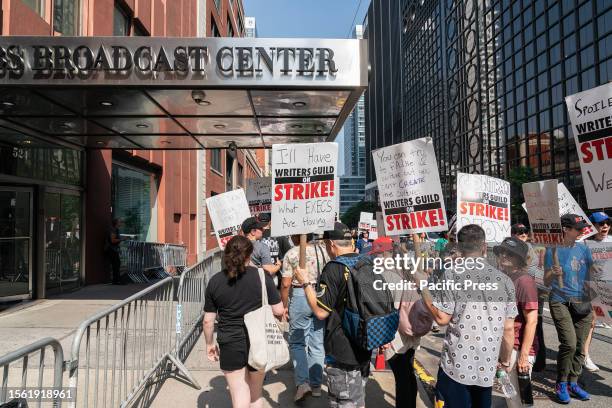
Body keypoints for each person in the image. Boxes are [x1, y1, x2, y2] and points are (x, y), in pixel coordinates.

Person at [420, 224, 518, 408]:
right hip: (487, 364)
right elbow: (508, 328)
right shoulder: (504, 280)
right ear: (484, 247)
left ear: (458, 248)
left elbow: (442, 319)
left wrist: (424, 293)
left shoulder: (452, 275)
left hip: (457, 364)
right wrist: (505, 361)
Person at [293, 222, 372, 408]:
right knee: (358, 398)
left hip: (343, 350)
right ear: (351, 242)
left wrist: (305, 283)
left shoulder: (334, 268)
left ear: (331, 245)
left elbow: (320, 312)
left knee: (345, 402)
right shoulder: (366, 263)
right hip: (366, 343)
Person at [203, 235, 284, 408]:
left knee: (239, 391)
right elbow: (278, 310)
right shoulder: (262, 277)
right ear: (249, 255)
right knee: (255, 394)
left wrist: (209, 344)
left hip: (230, 341)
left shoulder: (215, 281)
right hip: (259, 341)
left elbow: (208, 321)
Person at [544, 214, 597, 403]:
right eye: (578, 228)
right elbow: (546, 280)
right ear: (566, 229)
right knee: (569, 344)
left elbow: (591, 275)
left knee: (581, 346)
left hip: (582, 302)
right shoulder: (553, 250)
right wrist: (553, 271)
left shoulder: (584, 249)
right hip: (560, 300)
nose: (582, 230)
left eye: (582, 227)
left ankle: (573, 383)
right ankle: (561, 382)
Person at [373, 236, 426, 408]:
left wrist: (383, 337)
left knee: (402, 377)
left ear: (382, 254)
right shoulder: (406, 266)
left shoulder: (386, 274)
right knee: (408, 374)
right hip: (411, 328)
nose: (375, 259)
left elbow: (390, 308)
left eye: (376, 255)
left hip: (396, 335)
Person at [280, 234, 330, 402]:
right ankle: (316, 386)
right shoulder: (323, 251)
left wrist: (284, 304)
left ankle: (303, 383)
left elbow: (286, 283)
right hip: (320, 294)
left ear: (296, 236)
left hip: (301, 294)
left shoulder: (291, 254)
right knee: (317, 341)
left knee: (298, 342)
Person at [494, 237, 538, 408]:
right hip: (505, 345)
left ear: (519, 258)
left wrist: (524, 357)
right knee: (510, 396)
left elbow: (532, 321)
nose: (504, 255)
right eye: (502, 252)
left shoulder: (524, 281)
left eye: (510, 253)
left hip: (518, 347)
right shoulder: (504, 277)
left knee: (518, 401)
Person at [512, 223, 548, 372]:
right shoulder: (510, 249)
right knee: (518, 322)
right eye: (519, 232)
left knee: (534, 324)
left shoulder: (535, 248)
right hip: (519, 290)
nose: (523, 234)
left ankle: (537, 359)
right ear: (512, 233)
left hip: (534, 291)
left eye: (525, 231)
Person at [581, 211, 611, 372]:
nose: (605, 226)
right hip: (593, 289)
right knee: (591, 322)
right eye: (600, 223)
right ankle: (585, 356)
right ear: (593, 226)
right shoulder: (586, 245)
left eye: (607, 222)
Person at [105, 218, 126, 285]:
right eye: (120, 222)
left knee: (116, 264)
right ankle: (116, 281)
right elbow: (113, 240)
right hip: (111, 249)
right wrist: (122, 239)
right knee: (116, 264)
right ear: (116, 223)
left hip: (113, 249)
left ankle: (116, 280)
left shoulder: (116, 229)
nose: (121, 223)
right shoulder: (113, 229)